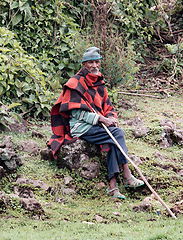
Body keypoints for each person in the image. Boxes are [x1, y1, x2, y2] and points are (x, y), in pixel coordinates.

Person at [48, 47, 144, 199]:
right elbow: (75, 112)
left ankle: (113, 188)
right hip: (81, 127)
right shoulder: (75, 83)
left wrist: (112, 118)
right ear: (84, 64)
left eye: (97, 62)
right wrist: (100, 119)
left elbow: (108, 106)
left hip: (98, 126)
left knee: (113, 139)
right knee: (117, 134)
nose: (94, 65)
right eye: (90, 62)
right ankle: (127, 174)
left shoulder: (99, 82)